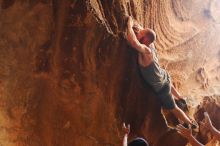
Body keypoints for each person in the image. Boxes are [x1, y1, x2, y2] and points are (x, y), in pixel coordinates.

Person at [126, 16, 196, 128]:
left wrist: (129, 25)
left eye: (140, 33)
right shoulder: (151, 43)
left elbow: (133, 42)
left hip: (162, 87)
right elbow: (145, 31)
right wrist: (136, 25)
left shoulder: (147, 51)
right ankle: (181, 98)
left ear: (144, 40)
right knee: (169, 82)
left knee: (173, 108)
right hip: (163, 76)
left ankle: (190, 123)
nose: (138, 32)